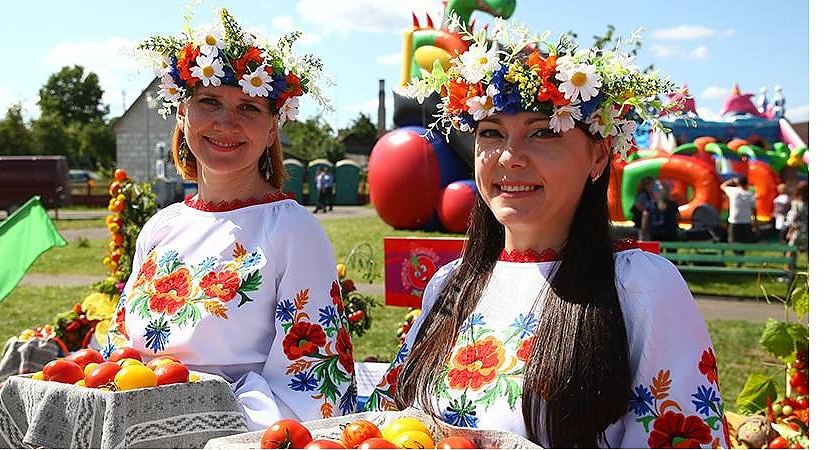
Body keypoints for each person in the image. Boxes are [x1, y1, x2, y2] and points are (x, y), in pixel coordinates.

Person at [364, 20, 730, 449]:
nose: (510, 157)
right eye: (491, 133)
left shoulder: (642, 287)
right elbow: (387, 425)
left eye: (543, 131)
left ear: (598, 156)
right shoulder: (449, 285)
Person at [103, 9, 356, 430]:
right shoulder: (160, 227)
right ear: (182, 115)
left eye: (250, 107)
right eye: (209, 102)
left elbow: (311, 390)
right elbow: (120, 347)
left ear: (273, 127)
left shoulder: (292, 231)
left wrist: (189, 420)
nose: (226, 123)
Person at [721, 175, 756, 257]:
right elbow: (754, 210)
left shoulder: (733, 191)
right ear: (747, 184)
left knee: (732, 240)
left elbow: (723, 186)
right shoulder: (750, 194)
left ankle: (737, 255)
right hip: (746, 221)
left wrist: (733, 180)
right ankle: (740, 256)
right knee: (743, 241)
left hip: (734, 221)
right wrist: (755, 222)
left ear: (738, 183)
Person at [785, 181, 808, 253]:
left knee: (791, 250)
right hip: (807, 231)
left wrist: (789, 232)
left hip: (798, 231)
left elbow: (793, 219)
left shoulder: (796, 203)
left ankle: (790, 264)